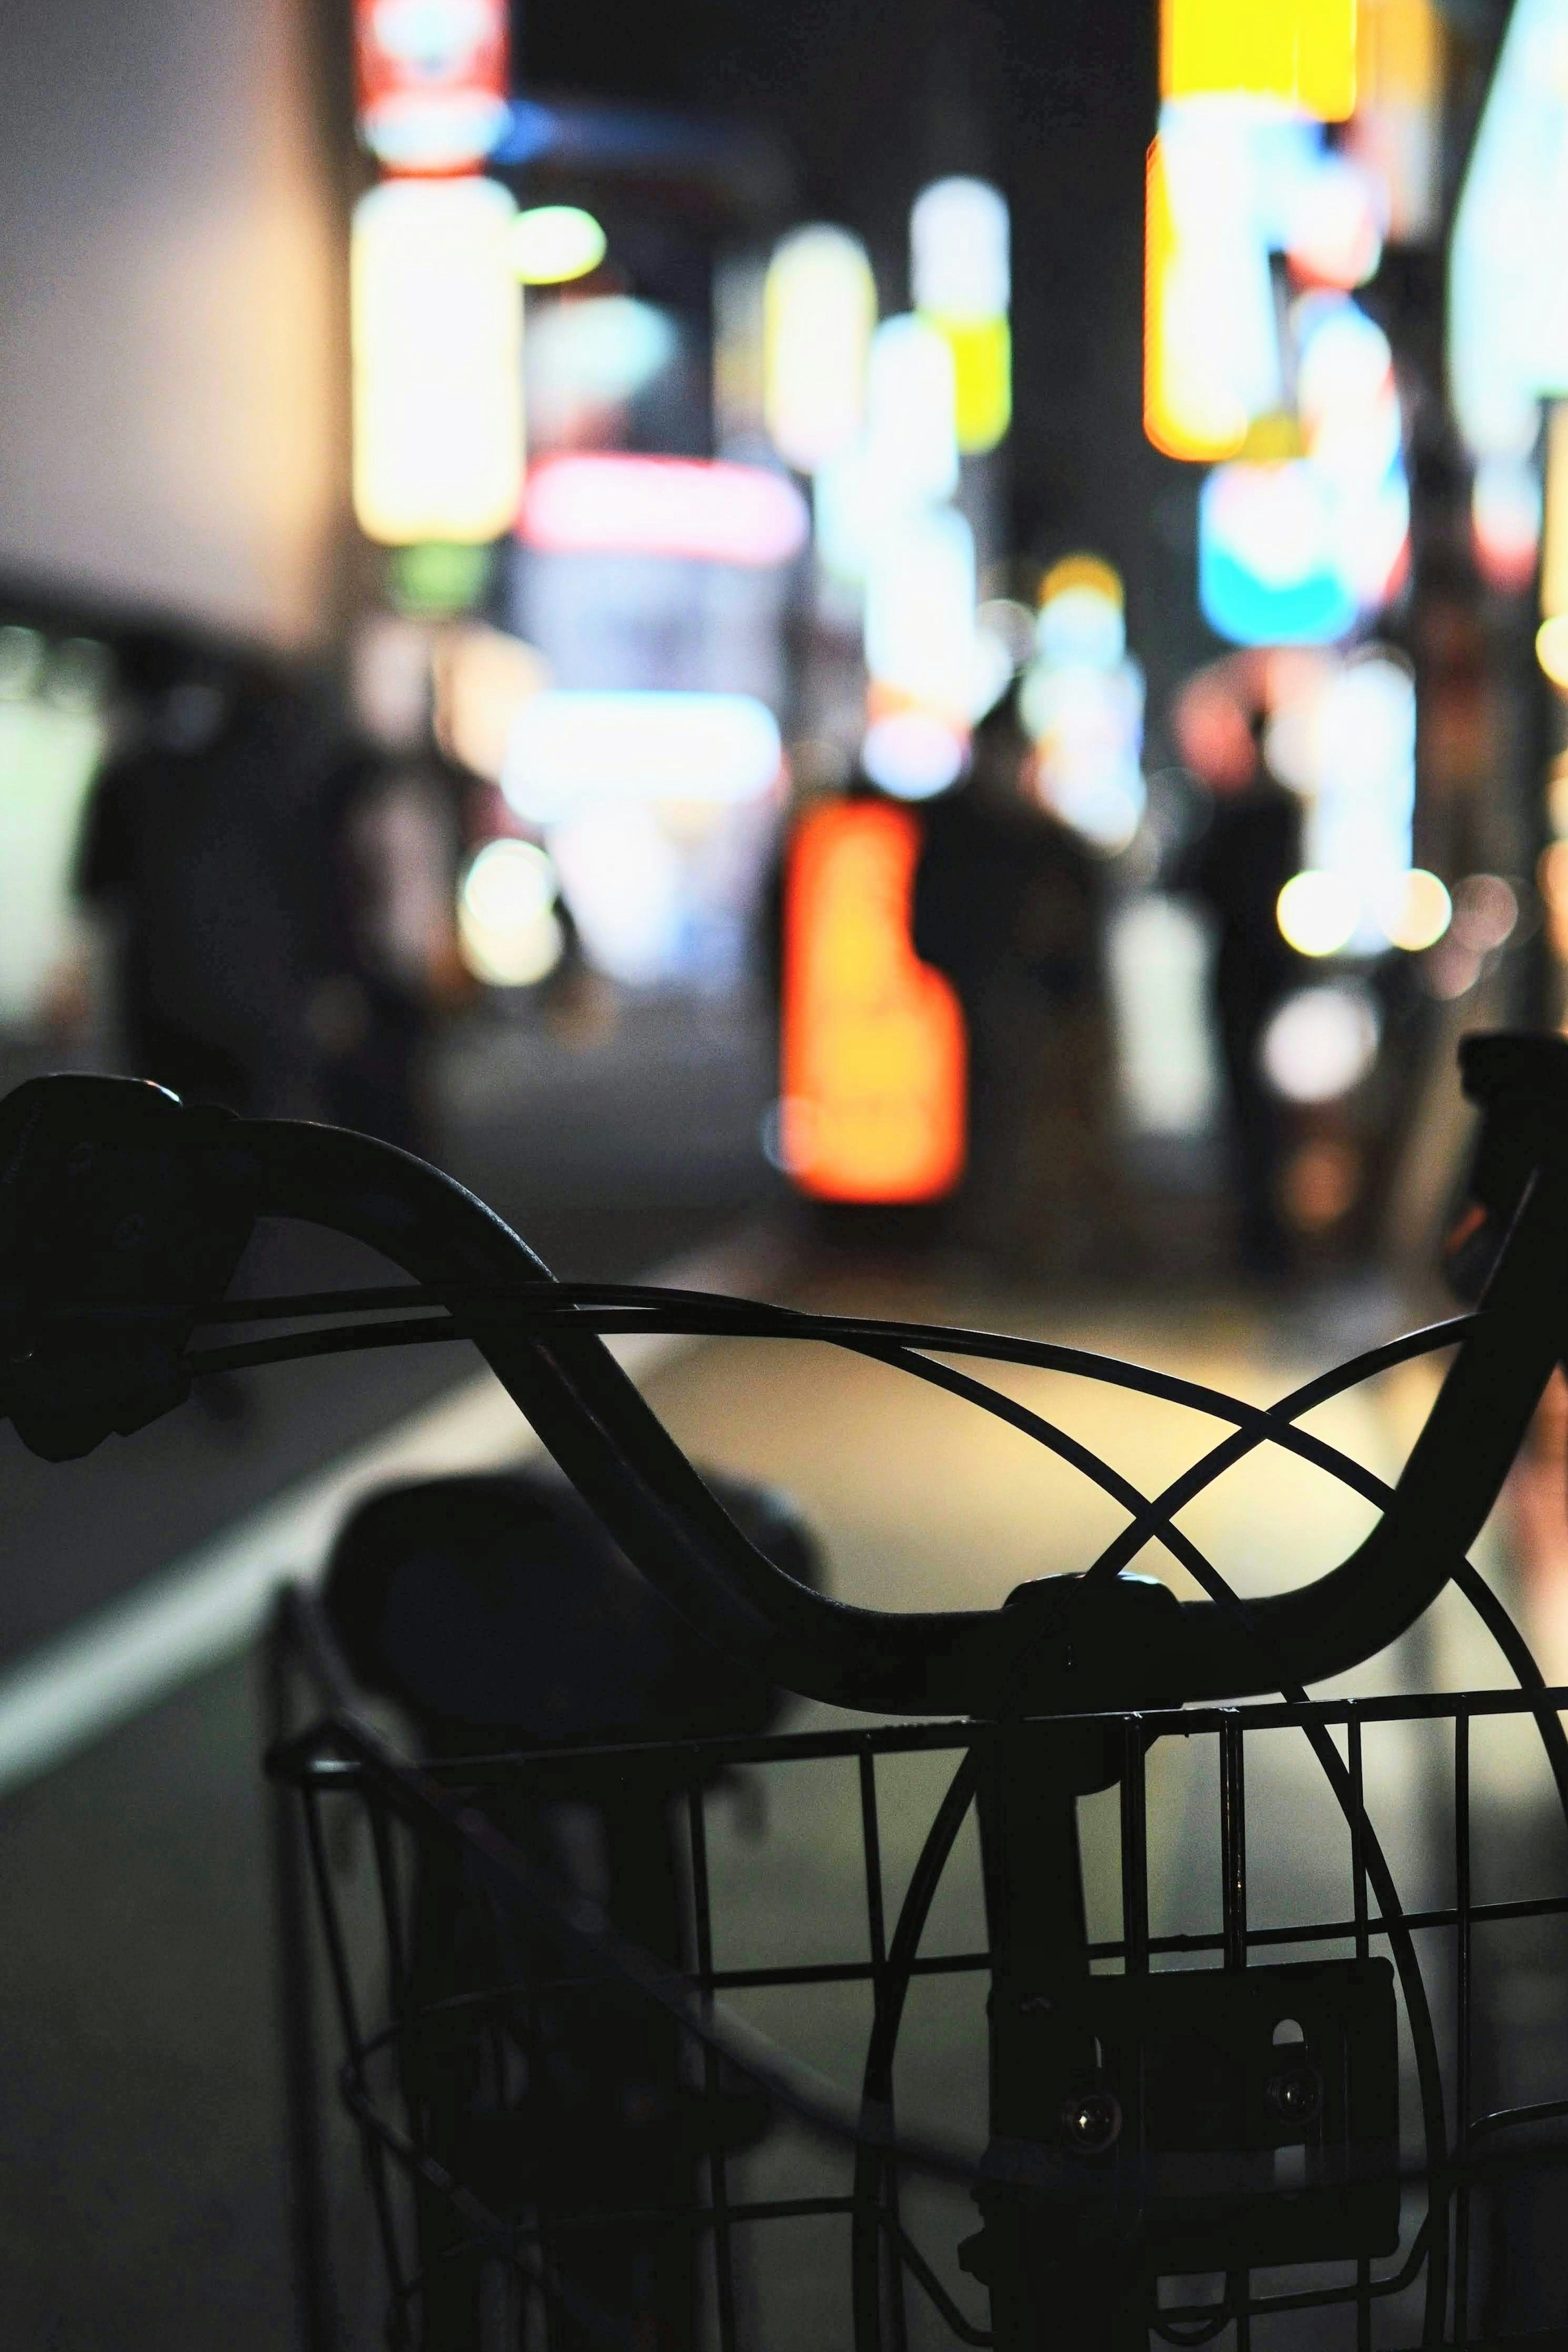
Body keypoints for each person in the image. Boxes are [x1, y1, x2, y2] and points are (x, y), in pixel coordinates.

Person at [76, 633, 343, 1121]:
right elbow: (321, 891)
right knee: (259, 1163)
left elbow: (94, 886)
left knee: (161, 1154)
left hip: (160, 1003)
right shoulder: (284, 781)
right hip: (264, 1005)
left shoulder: (134, 776)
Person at [913, 701, 1118, 1277]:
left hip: (1049, 1004)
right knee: (992, 1121)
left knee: (1052, 1127)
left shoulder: (1044, 838)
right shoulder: (965, 830)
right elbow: (929, 916)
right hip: (987, 997)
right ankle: (991, 1238)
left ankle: (1042, 1242)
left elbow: (1079, 919)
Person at [1171, 664, 1304, 1277]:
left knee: (1251, 1108)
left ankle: (1263, 1238)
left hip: (1245, 970)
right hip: (1256, 970)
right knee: (1253, 1108)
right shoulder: (1270, 807)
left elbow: (1193, 878)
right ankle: (1261, 1235)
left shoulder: (1252, 808)